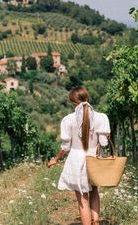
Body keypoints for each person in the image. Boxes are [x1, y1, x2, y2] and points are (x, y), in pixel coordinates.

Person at [48, 86, 110, 225]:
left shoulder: (68, 120)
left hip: (76, 160)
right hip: (94, 158)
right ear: (87, 97)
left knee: (83, 199)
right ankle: (96, 222)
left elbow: (65, 146)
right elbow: (104, 143)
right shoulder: (101, 117)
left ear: (73, 102)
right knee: (94, 191)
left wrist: (56, 159)